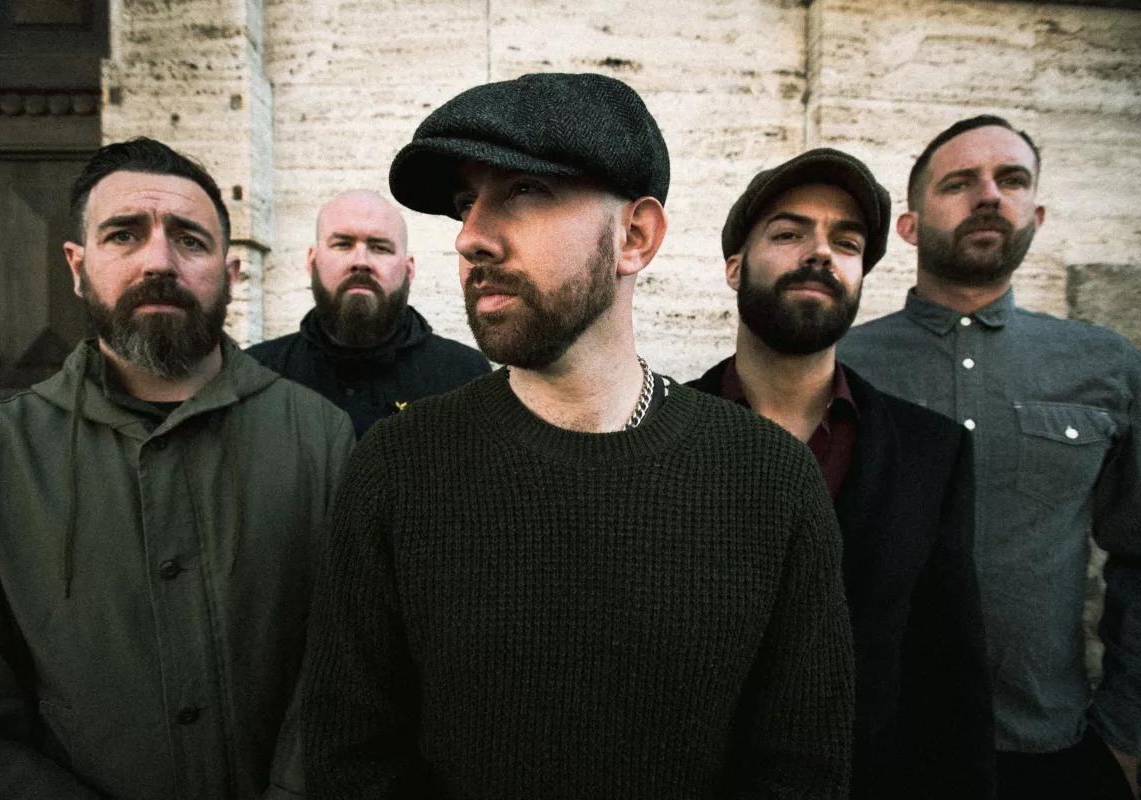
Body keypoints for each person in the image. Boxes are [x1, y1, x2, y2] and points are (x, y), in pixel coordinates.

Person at [301, 72, 855, 799]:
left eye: (526, 192)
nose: (470, 237)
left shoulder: (769, 481)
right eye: (467, 204)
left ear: (635, 237)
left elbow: (801, 769)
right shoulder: (398, 467)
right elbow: (350, 758)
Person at [0, 137, 355, 799]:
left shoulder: (319, 438)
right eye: (124, 235)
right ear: (77, 265)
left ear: (232, 273)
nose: (159, 261)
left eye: (190, 240)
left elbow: (343, 665)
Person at [839, 116, 1141, 800]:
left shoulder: (1105, 365)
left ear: (1037, 215)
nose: (988, 196)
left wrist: (1125, 735)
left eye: (1011, 180)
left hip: (1052, 748)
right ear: (910, 227)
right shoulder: (841, 365)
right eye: (959, 183)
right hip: (881, 749)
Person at [688, 148, 995, 799]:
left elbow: (950, 672)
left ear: (859, 278)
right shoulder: (655, 431)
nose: (821, 253)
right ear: (735, 267)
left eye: (846, 243)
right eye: (789, 233)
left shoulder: (932, 453)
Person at [248, 190, 489, 438]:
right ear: (312, 261)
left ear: (408, 270)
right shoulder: (260, 373)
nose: (361, 261)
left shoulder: (463, 375)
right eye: (343, 244)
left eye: (380, 248)